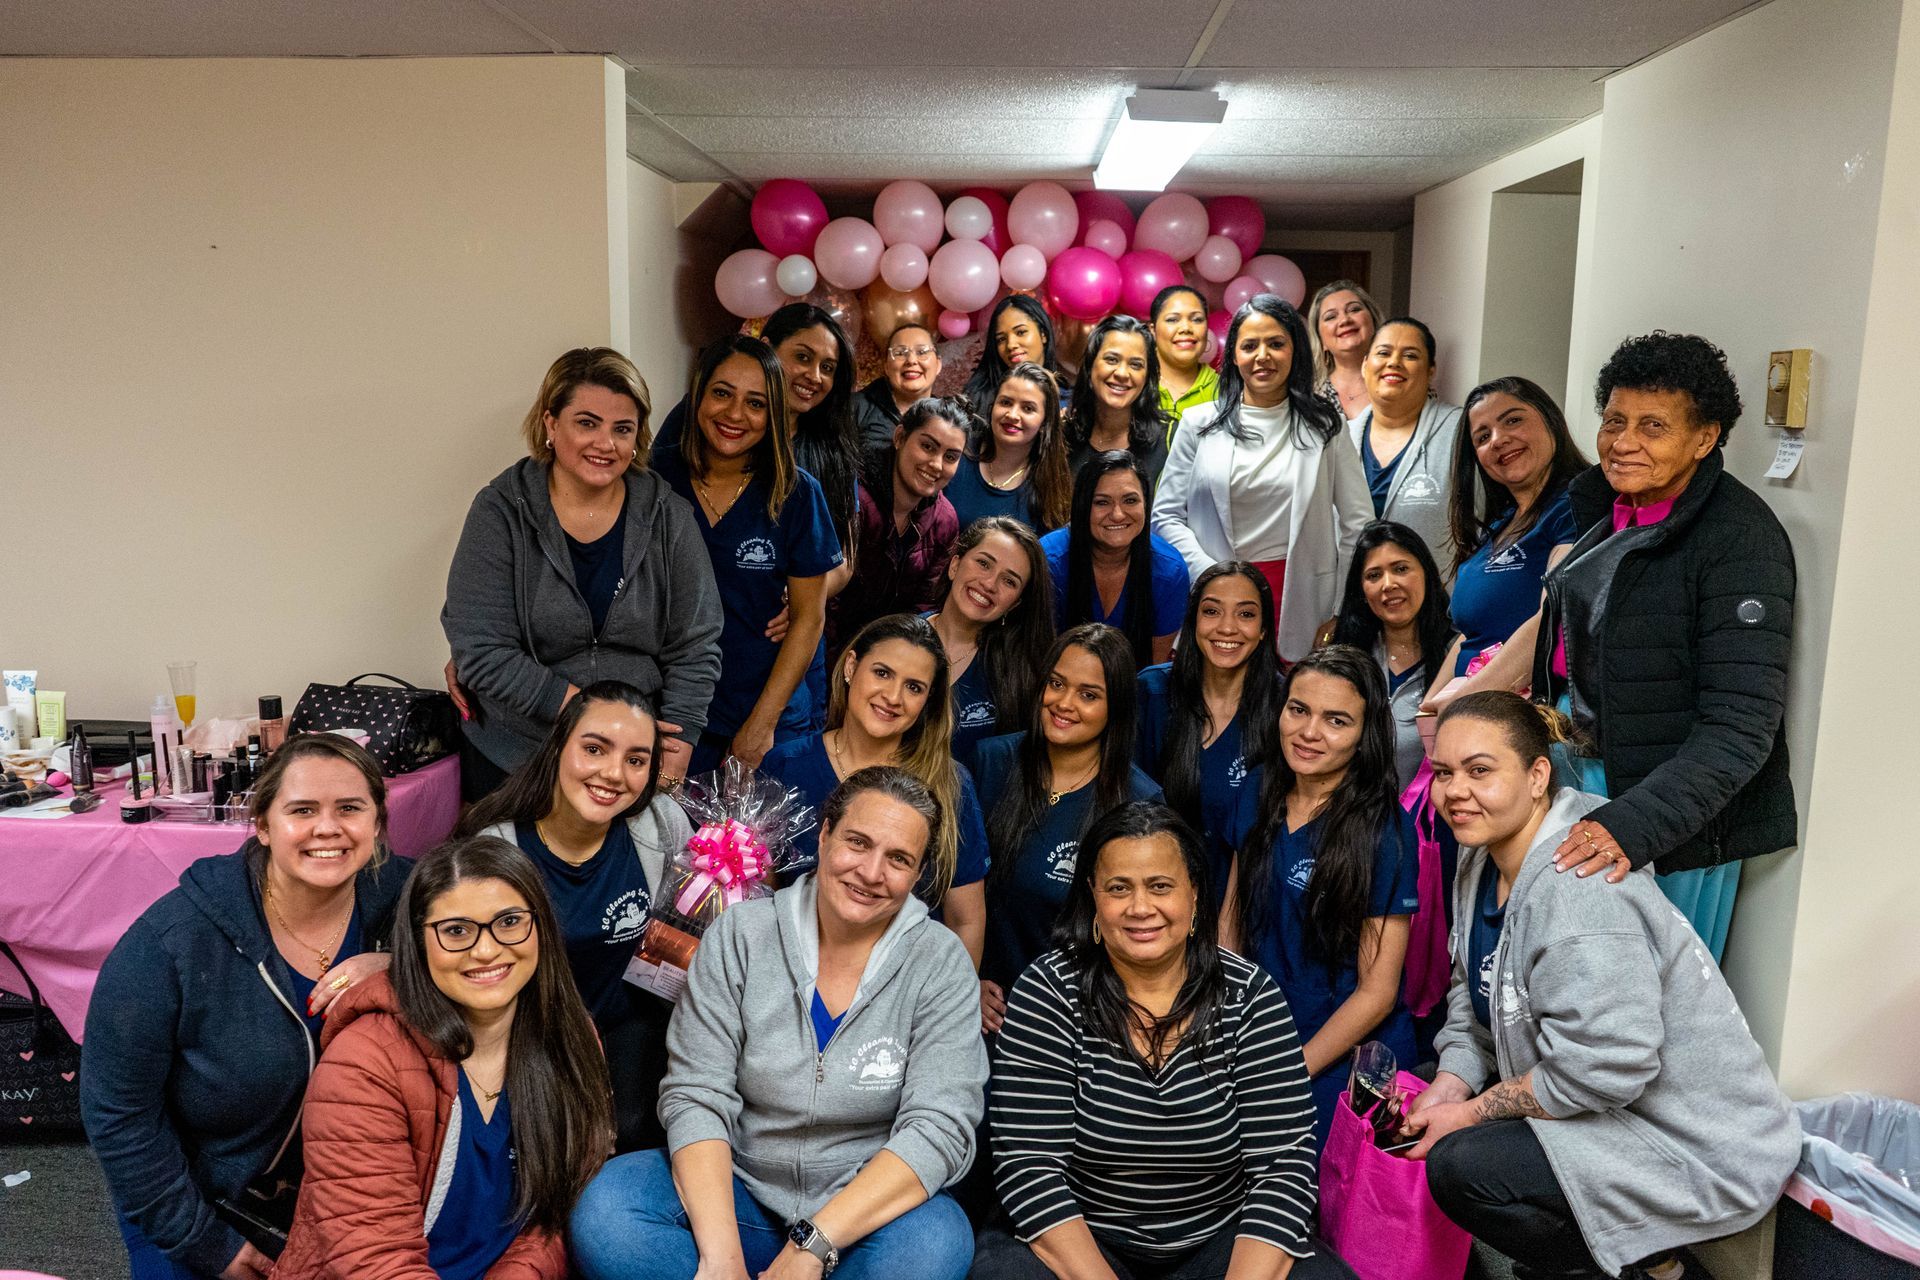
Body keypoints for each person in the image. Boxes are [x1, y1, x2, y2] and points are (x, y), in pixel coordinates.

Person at [1408, 692, 1799, 1280]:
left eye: (1480, 770)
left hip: (1692, 1144)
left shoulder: (1579, 892)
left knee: (1463, 1166)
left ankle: (1645, 1266)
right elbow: (1474, 991)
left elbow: (1612, 1066)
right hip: (1603, 1104)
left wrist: (1469, 1115)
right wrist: (1449, 1083)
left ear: (1538, 776)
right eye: (1444, 772)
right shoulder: (1479, 857)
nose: (1455, 791)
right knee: (1442, 1120)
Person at [1443, 332, 1797, 960]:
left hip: (1666, 819)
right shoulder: (1605, 509)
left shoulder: (1740, 539)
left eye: (1654, 426)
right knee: (1559, 986)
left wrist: (1629, 827)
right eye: (1614, 421)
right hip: (1581, 781)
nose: (1624, 441)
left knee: (1641, 1014)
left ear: (1704, 437)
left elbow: (1741, 729)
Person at [569, 768, 987, 1280]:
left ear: (918, 872)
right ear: (825, 833)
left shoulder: (940, 962)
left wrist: (813, 1247)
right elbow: (697, 1093)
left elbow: (940, 1127)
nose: (871, 872)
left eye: (898, 859)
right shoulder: (741, 934)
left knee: (938, 1241)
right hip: (738, 1191)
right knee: (608, 1209)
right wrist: (721, 1260)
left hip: (861, 1213)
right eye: (858, 842)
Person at [971, 803, 1356, 1280]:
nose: (1139, 907)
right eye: (1118, 888)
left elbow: (1282, 1170)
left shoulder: (1250, 996)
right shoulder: (1048, 990)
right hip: (1084, 1237)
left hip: (1219, 1240)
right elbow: (1030, 1168)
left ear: (1194, 895)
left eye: (1160, 886)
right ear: (1093, 897)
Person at [82, 736, 408, 1280]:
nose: (328, 829)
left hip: (355, 1193)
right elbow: (117, 1114)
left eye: (350, 808)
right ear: (261, 825)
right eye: (302, 810)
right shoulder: (171, 943)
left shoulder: (412, 898)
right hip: (201, 1201)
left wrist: (401, 964)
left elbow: (512, 947)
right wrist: (203, 1242)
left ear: (377, 823)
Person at [271, 836, 613, 1280]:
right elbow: (377, 1262)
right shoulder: (365, 1063)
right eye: (456, 931)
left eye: (509, 922)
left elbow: (554, 1215)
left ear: (541, 927)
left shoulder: (573, 1037)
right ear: (417, 941)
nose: (486, 950)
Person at [443, 346, 722, 800]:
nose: (605, 444)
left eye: (622, 429)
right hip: (516, 756)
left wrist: (678, 745)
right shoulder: (499, 511)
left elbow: (696, 644)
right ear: (551, 424)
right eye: (587, 423)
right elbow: (481, 649)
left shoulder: (669, 516)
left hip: (630, 764)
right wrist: (598, 717)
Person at [455, 680, 690, 1153]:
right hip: (532, 1033)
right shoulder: (495, 848)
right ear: (559, 745)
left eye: (636, 760)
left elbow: (692, 933)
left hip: (632, 1026)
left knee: (635, 1128)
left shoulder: (661, 825)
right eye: (595, 749)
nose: (613, 774)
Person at [1222, 645, 1420, 1148]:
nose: (1309, 733)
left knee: (1306, 1202)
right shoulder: (1258, 787)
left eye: (1336, 720)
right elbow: (1231, 920)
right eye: (1299, 710)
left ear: (1364, 735)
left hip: (1337, 1054)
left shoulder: (1385, 830)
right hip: (1259, 1034)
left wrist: (1289, 1073)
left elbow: (1376, 993)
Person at [651, 334, 845, 772]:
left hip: (764, 709)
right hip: (670, 710)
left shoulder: (796, 493)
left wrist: (761, 724)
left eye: (756, 403)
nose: (735, 414)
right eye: (722, 393)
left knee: (756, 841)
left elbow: (808, 618)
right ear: (698, 394)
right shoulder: (654, 479)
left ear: (773, 413)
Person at [1153, 294, 1371, 663]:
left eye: (1276, 343)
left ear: (1295, 351)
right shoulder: (1198, 423)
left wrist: (1338, 608)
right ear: (1233, 355)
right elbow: (1166, 515)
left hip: (1300, 597)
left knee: (1290, 708)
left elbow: (1358, 522)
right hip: (1216, 591)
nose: (1262, 355)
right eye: (1250, 345)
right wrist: (1211, 572)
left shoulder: (1326, 427)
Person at [762, 614, 990, 966]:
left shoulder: (950, 783)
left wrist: (953, 1010)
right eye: (882, 673)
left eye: (914, 687)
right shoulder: (786, 765)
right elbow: (762, 895)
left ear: (928, 701)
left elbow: (966, 919)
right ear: (851, 666)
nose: (893, 697)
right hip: (793, 975)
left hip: (906, 991)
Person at [975, 624, 1163, 1034]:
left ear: (1116, 707)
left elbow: (1138, 934)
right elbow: (948, 890)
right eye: (1057, 683)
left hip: (1077, 1019)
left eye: (1089, 695)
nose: (1063, 703)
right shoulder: (990, 763)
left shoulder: (1138, 802)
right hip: (981, 1009)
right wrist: (966, 976)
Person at [1136, 562, 1283, 896]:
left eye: (1245, 614)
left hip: (1248, 899)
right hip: (1155, 895)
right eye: (1212, 611)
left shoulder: (1286, 706)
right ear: (1193, 621)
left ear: (1263, 629)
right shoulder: (1151, 692)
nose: (1227, 628)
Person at [1440, 376, 1588, 678]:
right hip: (1468, 709)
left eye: (1512, 421)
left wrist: (1467, 700)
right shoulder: (1496, 526)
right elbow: (1469, 637)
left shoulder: (1574, 507)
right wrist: (1428, 711)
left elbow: (1550, 620)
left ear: (1550, 419)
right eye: (1482, 437)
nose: (1497, 439)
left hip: (1520, 709)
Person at [828, 396, 968, 652]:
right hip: (826, 646)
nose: (936, 464)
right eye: (927, 446)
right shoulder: (852, 496)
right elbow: (829, 599)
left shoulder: (944, 520)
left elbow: (924, 607)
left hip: (889, 655)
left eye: (950, 456)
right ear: (900, 437)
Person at [1327, 522, 1456, 791]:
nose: (1388, 584)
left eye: (1400, 569)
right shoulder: (1342, 660)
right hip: (1347, 820)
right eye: (1374, 575)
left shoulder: (1458, 656)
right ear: (1361, 591)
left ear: (1427, 574)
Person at [927, 517, 1057, 770]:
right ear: (955, 565)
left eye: (1009, 581)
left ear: (1016, 603)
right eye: (983, 564)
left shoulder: (1018, 677)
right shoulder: (895, 639)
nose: (989, 584)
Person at [1041, 452, 1189, 669]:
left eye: (1130, 500)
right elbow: (1038, 656)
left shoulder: (1170, 570)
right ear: (1082, 507)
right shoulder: (1048, 559)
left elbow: (1154, 670)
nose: (1118, 514)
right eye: (1102, 502)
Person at [1349, 317, 1462, 570]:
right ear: (1366, 364)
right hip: (1348, 603)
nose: (1394, 362)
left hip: (1437, 603)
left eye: (1410, 356)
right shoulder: (1338, 439)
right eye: (1383, 353)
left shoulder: (1460, 430)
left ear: (1431, 370)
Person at [946, 363, 1073, 534]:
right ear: (992, 407)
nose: (1012, 415)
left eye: (1028, 408)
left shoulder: (1050, 486)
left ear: (1045, 422)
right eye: (1005, 402)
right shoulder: (958, 454)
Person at [1063, 314, 1171, 480]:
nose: (1122, 373)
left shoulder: (1171, 441)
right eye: (1112, 360)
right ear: (1091, 365)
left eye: (1135, 364)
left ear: (1147, 376)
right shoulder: (1063, 437)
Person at [965, 294, 1065, 422]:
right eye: (1001, 339)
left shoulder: (1067, 399)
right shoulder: (979, 400)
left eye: (1020, 332)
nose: (1011, 345)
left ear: (1043, 334)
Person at [855, 322, 944, 450]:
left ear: (938, 364)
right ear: (886, 366)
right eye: (900, 353)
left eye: (922, 351)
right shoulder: (855, 408)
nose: (911, 360)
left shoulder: (948, 420)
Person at [1150, 284, 1219, 441]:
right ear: (1152, 331)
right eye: (1173, 320)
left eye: (1197, 319)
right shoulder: (1135, 385)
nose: (1186, 328)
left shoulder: (1226, 391)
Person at [1307, 279, 1382, 423]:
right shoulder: (1309, 397)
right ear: (1321, 340)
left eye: (1354, 309)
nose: (1344, 320)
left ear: (1374, 320)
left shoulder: (1403, 382)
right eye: (1330, 317)